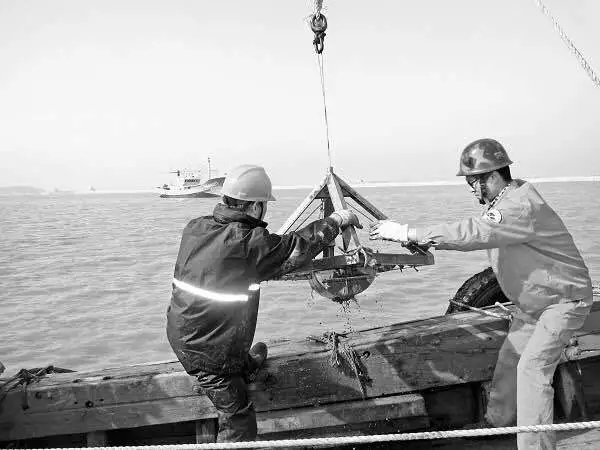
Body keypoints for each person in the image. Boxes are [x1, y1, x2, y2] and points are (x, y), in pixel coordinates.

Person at [369, 138, 593, 450]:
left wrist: (409, 232)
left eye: (475, 182)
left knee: (532, 369)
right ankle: (496, 424)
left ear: (494, 176)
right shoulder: (505, 202)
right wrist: (418, 239)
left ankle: (536, 446)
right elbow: (477, 234)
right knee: (510, 359)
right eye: (470, 183)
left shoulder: (519, 206)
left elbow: (474, 232)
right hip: (534, 306)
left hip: (562, 302)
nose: (473, 189)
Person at [166, 164, 361, 443]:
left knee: (230, 346)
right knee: (239, 417)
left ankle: (242, 364)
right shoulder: (248, 243)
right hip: (207, 353)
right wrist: (336, 220)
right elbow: (297, 248)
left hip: (184, 333)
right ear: (256, 206)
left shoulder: (196, 227)